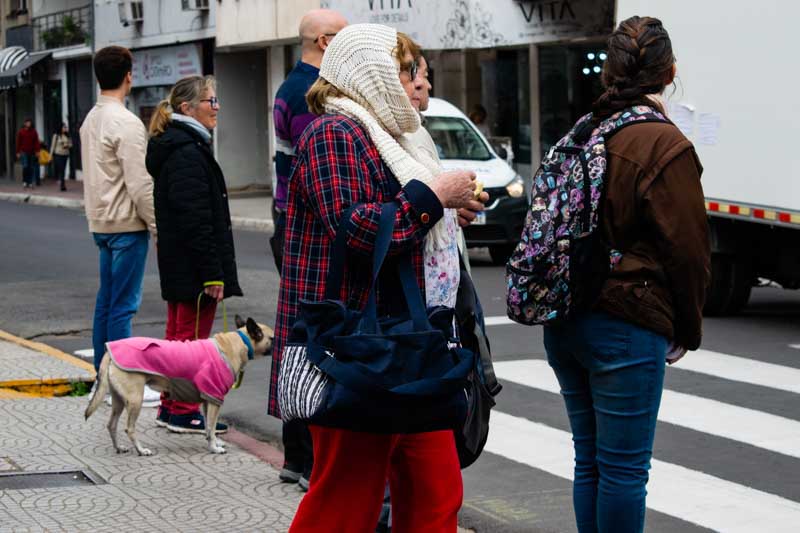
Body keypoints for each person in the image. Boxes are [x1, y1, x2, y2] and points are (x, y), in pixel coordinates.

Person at [273, 24, 488, 532]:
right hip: (354, 348)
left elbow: (394, 217)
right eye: (404, 71)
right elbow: (358, 229)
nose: (417, 86)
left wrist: (443, 214)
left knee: (436, 492)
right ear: (371, 74)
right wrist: (433, 198)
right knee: (347, 501)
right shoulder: (333, 133)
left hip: (408, 345)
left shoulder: (391, 137)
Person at [542, 16, 710, 533]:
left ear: (608, 75)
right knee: (624, 470)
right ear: (670, 72)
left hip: (565, 315)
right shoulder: (664, 143)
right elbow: (688, 252)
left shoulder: (583, 130)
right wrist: (686, 328)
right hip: (626, 322)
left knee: (589, 459)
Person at [270, 7, 347, 491]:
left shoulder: (290, 86)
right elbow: (320, 173)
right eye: (343, 36)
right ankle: (305, 456)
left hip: (290, 220)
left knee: (303, 333)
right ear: (322, 41)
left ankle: (296, 455)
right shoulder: (309, 93)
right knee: (313, 338)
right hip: (308, 227)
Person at [146, 75, 242, 434]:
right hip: (193, 268)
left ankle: (173, 405)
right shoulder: (187, 152)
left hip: (182, 265)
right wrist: (212, 273)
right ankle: (184, 410)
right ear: (187, 108)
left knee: (179, 339)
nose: (216, 108)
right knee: (191, 343)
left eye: (216, 101)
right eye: (210, 101)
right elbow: (196, 220)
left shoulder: (182, 146)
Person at [81, 46, 157, 389]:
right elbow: (139, 184)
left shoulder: (90, 120)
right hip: (127, 225)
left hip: (100, 224)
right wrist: (157, 226)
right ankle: (120, 381)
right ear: (129, 76)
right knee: (124, 307)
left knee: (107, 303)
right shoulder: (126, 123)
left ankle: (103, 374)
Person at [16, 119, 40, 188]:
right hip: (24, 152)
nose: (28, 124)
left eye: (29, 123)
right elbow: (18, 142)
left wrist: (37, 151)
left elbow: (36, 142)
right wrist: (17, 152)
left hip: (32, 152)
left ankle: (30, 182)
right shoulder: (21, 132)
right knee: (25, 166)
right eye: (27, 123)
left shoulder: (33, 132)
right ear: (24, 123)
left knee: (31, 167)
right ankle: (25, 181)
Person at [51, 124, 72, 191]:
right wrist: (50, 155)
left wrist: (67, 145)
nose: (65, 129)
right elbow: (52, 146)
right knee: (61, 169)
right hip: (58, 154)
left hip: (65, 154)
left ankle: (62, 183)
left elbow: (71, 144)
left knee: (63, 169)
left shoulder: (67, 135)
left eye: (66, 127)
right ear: (60, 128)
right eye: (64, 127)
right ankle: (62, 184)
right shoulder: (56, 136)